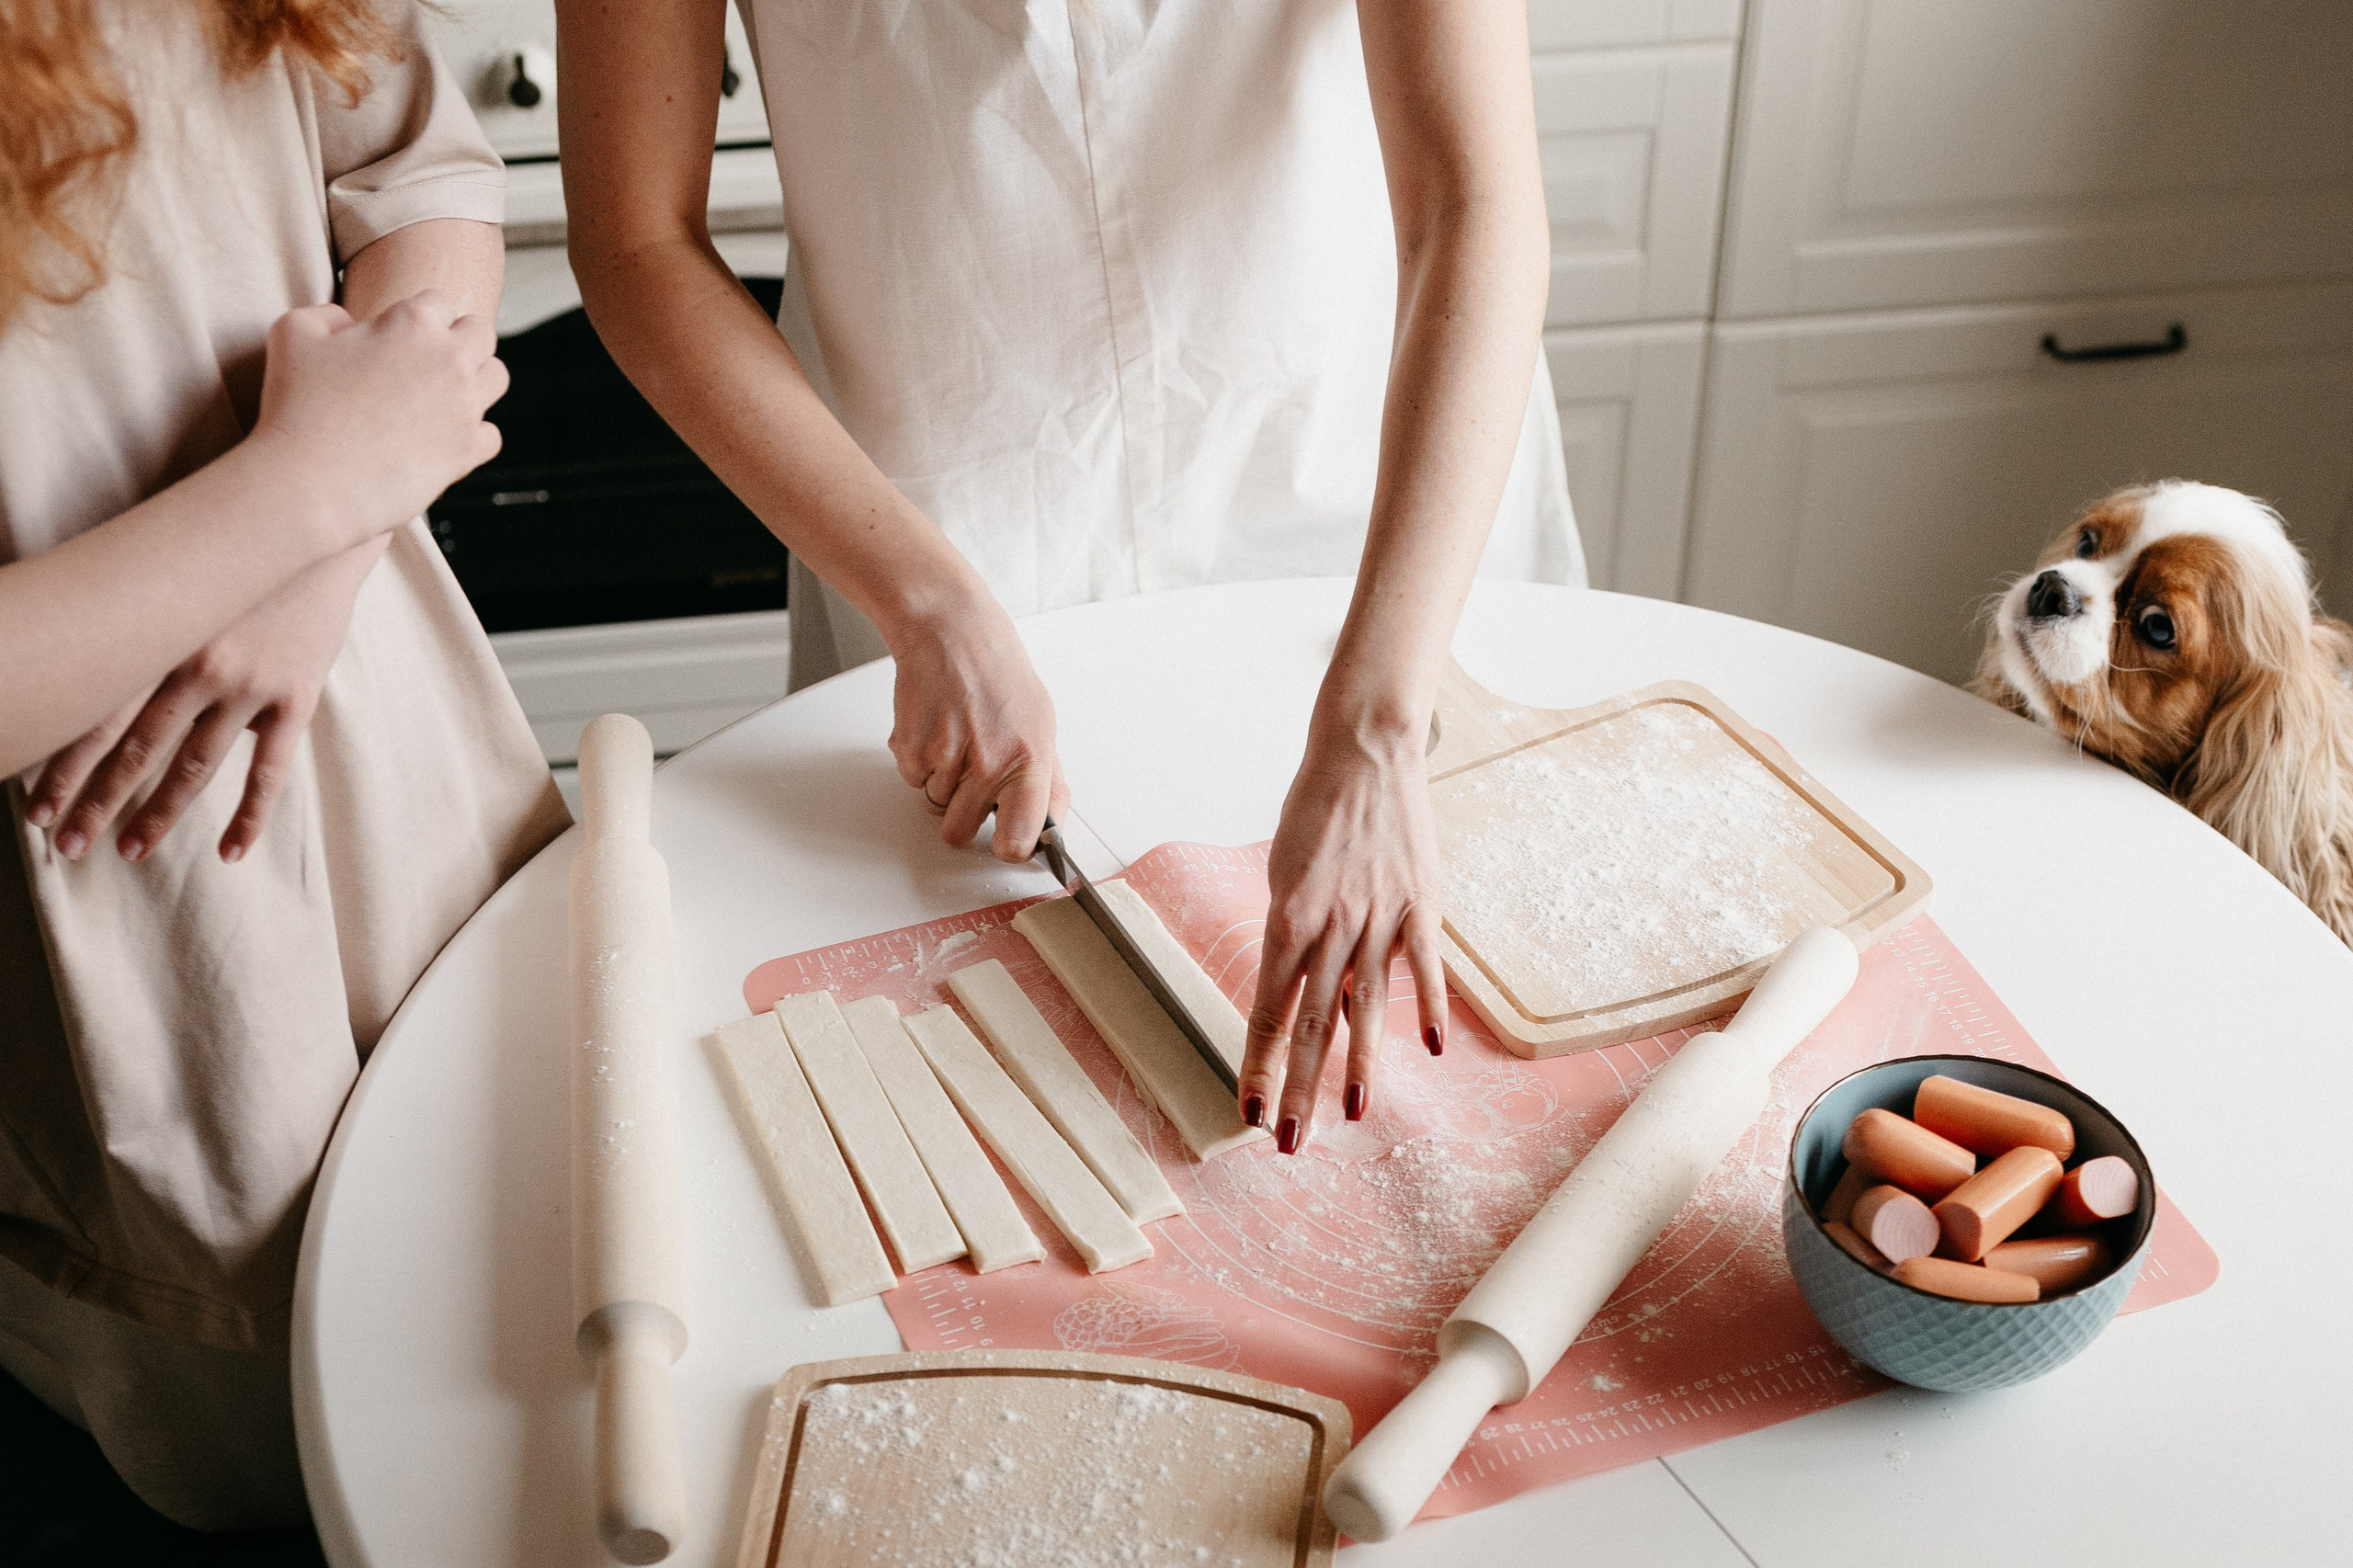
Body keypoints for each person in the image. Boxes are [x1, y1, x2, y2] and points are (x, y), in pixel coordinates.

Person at [561, 0, 1578, 1153]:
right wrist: (922, 596)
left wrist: (1383, 717)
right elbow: (637, 237)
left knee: (1483, 1105)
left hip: (1378, 511)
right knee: (1018, 1116)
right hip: (941, 542)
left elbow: (1470, 201)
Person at [0, 0, 563, 1529]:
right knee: (273, 1451)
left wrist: (326, 549)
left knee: (521, 1292)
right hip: (103, 855)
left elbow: (423, 177)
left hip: (371, 702)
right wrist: (299, 491)